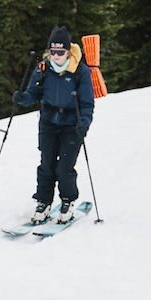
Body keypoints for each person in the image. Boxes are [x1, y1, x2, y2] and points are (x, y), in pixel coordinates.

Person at [12, 26, 95, 224]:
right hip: (48, 121)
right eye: (52, 51)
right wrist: (23, 98)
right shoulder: (43, 68)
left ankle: (67, 201)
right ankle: (43, 202)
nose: (56, 56)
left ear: (68, 51)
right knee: (47, 163)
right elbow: (34, 93)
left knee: (64, 167)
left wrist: (85, 124)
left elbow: (87, 103)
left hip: (72, 124)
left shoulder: (79, 71)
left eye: (60, 52)